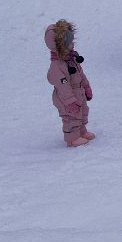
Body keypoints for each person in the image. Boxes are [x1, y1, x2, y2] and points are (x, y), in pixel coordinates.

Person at [45, 19, 93, 147]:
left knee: (82, 111)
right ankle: (72, 138)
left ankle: (81, 132)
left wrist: (86, 86)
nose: (72, 44)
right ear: (60, 46)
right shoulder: (57, 66)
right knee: (71, 117)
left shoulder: (72, 59)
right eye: (69, 43)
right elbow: (63, 86)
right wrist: (70, 101)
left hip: (78, 92)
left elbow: (80, 74)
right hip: (66, 97)